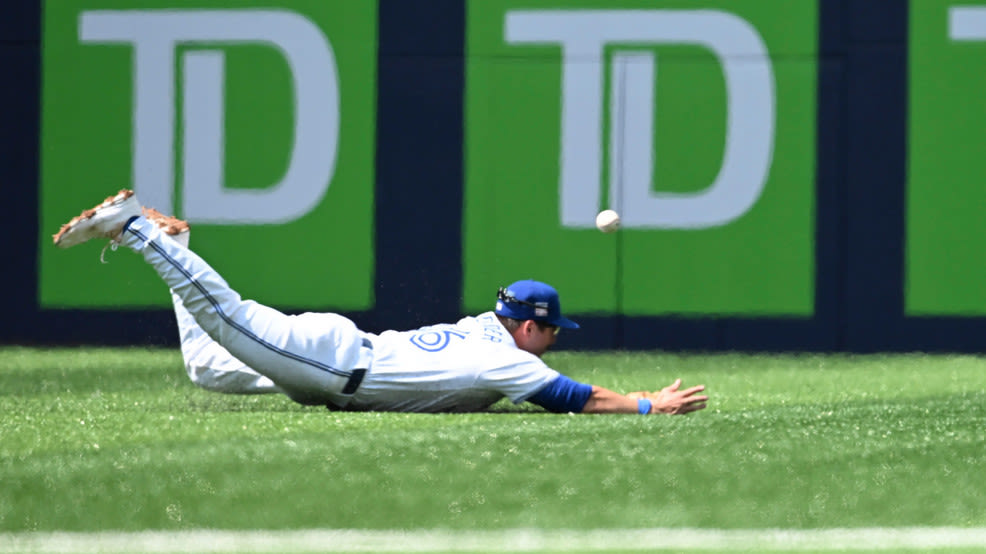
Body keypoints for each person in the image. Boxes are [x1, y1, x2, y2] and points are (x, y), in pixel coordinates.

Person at [53, 190, 709, 415]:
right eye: (552, 331)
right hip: (332, 366)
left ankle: (178, 241)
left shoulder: (484, 326)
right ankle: (135, 226)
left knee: (208, 365)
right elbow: (577, 398)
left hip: (339, 360)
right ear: (530, 329)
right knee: (227, 315)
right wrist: (650, 403)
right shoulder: (504, 362)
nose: (555, 341)